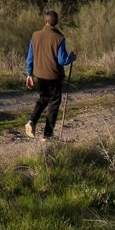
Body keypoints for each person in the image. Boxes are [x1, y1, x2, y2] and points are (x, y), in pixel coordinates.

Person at [24, 10, 76, 140]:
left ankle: (31, 121)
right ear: (56, 22)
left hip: (40, 75)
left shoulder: (35, 35)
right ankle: (48, 135)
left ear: (45, 21)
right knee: (53, 103)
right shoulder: (59, 38)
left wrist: (29, 74)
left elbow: (30, 57)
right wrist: (72, 57)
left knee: (43, 99)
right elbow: (62, 60)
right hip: (54, 76)